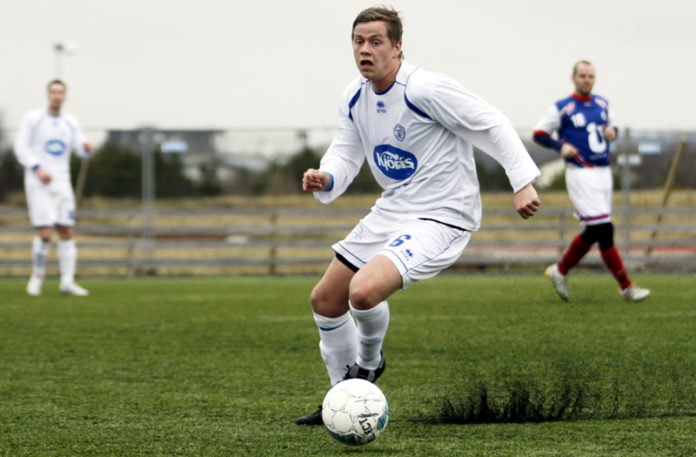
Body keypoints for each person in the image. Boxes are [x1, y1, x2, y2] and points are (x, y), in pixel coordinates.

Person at [295, 6, 541, 426]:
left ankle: (367, 368)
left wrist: (522, 181)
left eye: (376, 41)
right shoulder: (354, 96)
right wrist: (327, 175)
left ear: (397, 47)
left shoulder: (425, 89)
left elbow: (492, 123)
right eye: (358, 41)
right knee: (326, 300)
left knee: (363, 292)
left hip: (443, 214)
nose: (365, 50)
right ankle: (343, 398)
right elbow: (346, 151)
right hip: (393, 208)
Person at [533, 60, 649, 302]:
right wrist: (560, 146)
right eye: (582, 76)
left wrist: (612, 133)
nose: (587, 80)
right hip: (581, 172)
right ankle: (626, 286)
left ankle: (560, 269)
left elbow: (613, 128)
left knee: (597, 229)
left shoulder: (602, 104)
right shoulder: (563, 107)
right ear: (573, 78)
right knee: (603, 228)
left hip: (603, 172)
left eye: (590, 76)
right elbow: (539, 133)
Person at [14, 79, 93, 296]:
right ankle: (37, 277)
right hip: (38, 182)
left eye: (60, 92)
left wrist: (87, 147)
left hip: (62, 182)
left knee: (66, 230)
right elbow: (21, 147)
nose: (57, 96)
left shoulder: (70, 122)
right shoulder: (33, 118)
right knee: (46, 233)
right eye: (53, 92)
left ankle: (67, 281)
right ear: (48, 95)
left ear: (65, 96)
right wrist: (37, 168)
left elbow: (80, 148)